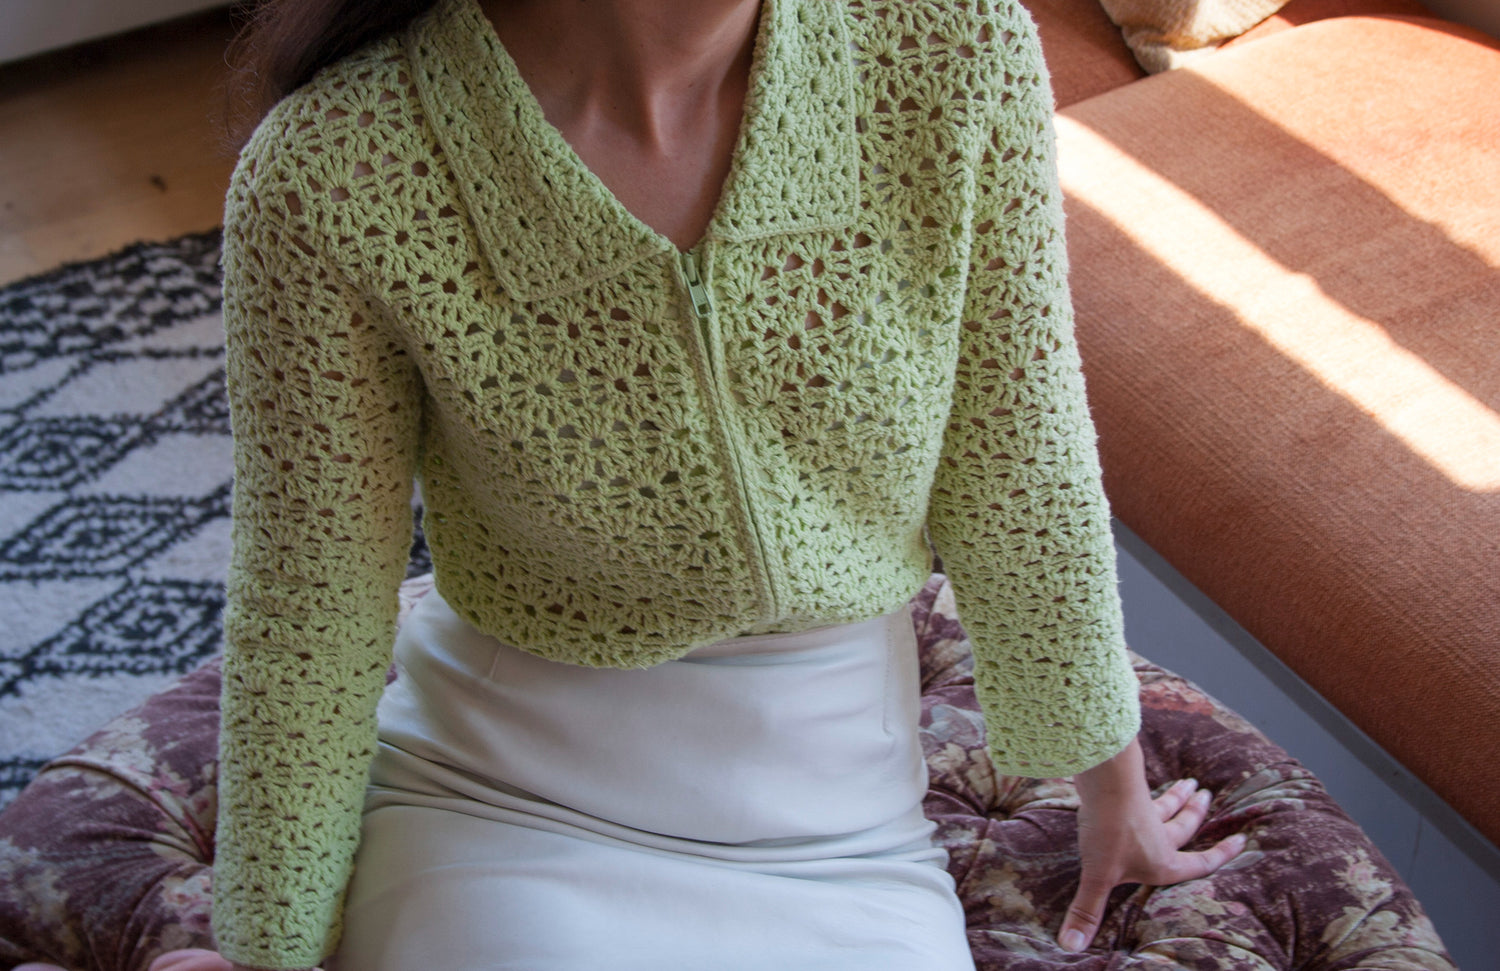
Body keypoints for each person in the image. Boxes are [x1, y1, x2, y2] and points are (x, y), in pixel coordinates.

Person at [138, 0, 1246, 968]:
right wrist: (270, 943)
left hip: (839, 829)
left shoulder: (952, 48)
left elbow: (1023, 452)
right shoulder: (335, 171)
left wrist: (1114, 791)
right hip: (505, 799)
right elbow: (310, 600)